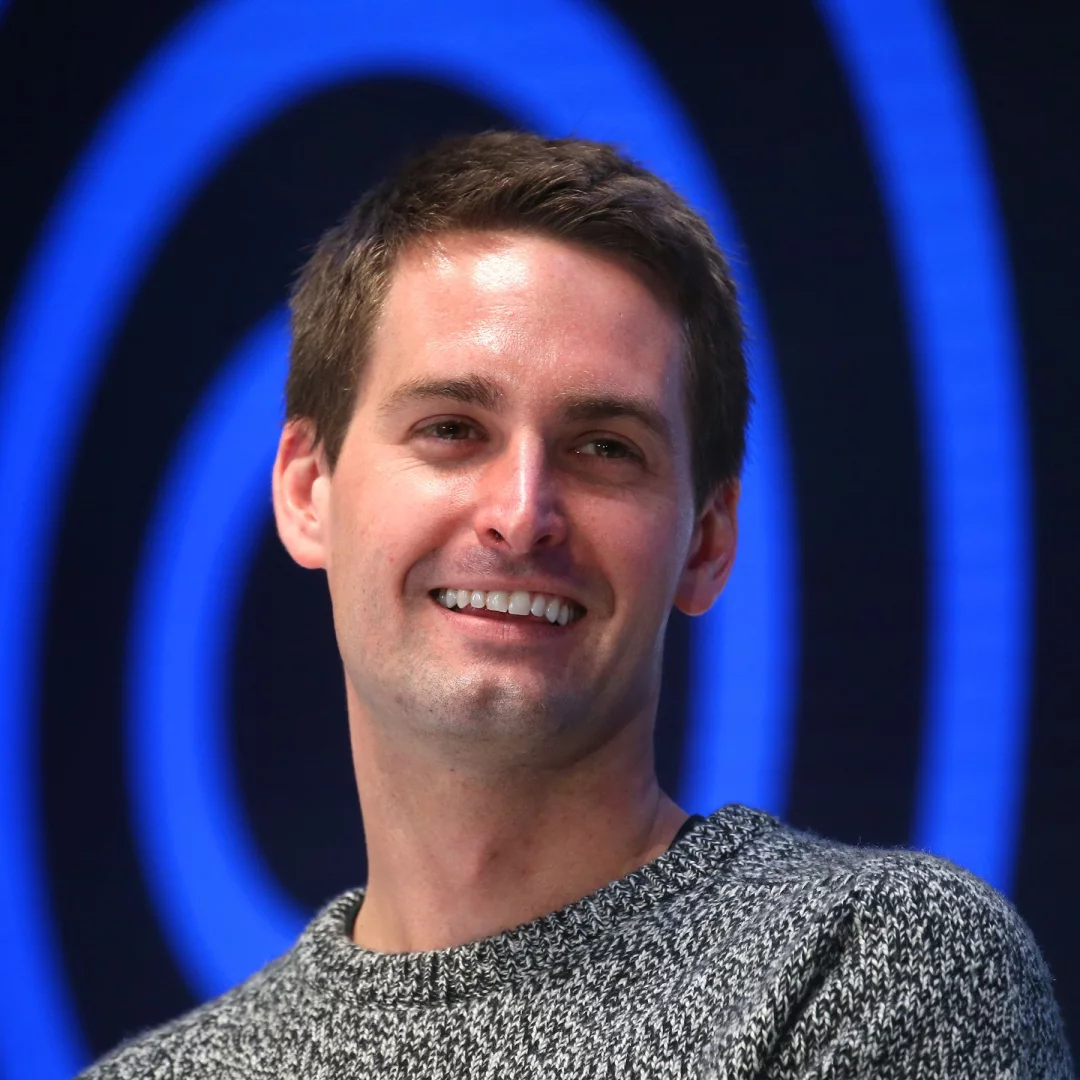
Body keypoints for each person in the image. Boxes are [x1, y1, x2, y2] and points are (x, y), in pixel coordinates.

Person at [82, 131, 1071, 1079]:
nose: (522, 513)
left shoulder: (871, 969)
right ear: (307, 489)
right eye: (451, 428)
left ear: (708, 543)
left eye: (605, 447)